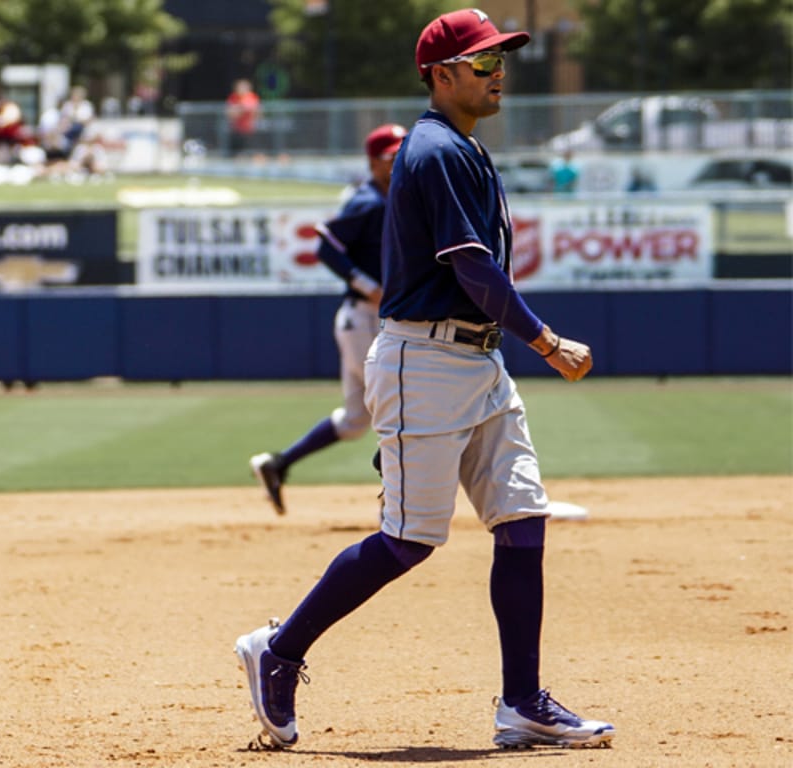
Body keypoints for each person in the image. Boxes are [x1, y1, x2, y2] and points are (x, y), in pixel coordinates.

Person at [234, 8, 615, 753]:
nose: (498, 71)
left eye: (501, 58)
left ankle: (522, 703)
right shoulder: (435, 149)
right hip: (426, 357)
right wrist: (542, 338)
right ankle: (278, 649)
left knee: (521, 518)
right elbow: (472, 266)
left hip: (474, 362)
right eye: (482, 62)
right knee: (409, 540)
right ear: (441, 76)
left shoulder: (463, 148)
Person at [248, 123, 405, 515]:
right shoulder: (368, 201)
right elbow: (327, 246)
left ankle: (276, 464)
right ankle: (399, 497)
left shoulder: (395, 196)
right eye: (391, 156)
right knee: (399, 405)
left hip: (365, 321)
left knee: (355, 421)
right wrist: (366, 283)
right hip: (366, 318)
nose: (399, 161)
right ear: (373, 161)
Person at [225, 78, 261, 157]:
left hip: (250, 130)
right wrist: (242, 108)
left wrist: (241, 108)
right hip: (237, 130)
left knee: (252, 152)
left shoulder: (252, 97)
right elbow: (231, 113)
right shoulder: (233, 97)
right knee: (237, 153)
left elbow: (256, 111)